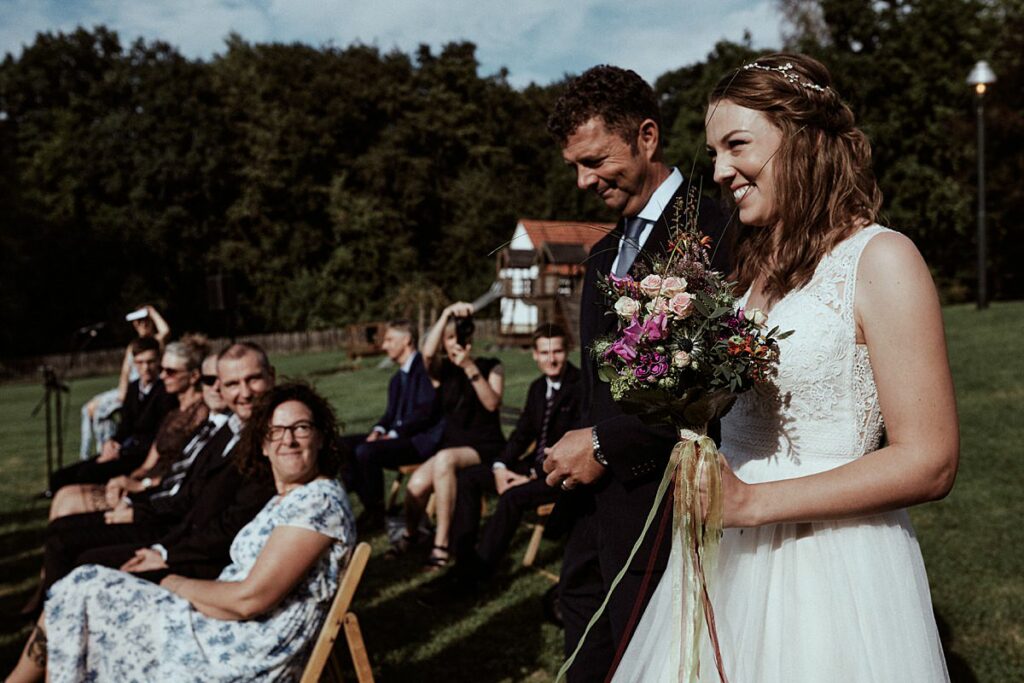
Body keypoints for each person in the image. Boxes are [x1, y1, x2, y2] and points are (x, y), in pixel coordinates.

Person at [611, 53, 958, 682]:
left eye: (736, 145)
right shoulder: (746, 276)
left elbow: (930, 460)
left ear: (801, 137)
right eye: (713, 153)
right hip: (726, 559)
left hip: (830, 568)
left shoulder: (882, 260)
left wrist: (750, 503)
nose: (719, 171)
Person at [540, 65, 729, 680]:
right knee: (585, 640)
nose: (583, 181)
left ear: (647, 137)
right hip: (597, 507)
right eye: (575, 166)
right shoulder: (602, 252)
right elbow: (600, 379)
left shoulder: (716, 228)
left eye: (595, 161)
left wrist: (604, 443)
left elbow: (717, 381)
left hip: (667, 501)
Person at [6, 382, 356, 683]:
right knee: (83, 588)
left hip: (240, 652)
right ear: (263, 445)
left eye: (301, 428)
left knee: (83, 588)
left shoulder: (318, 502)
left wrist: (168, 581)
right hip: (222, 629)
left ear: (322, 437)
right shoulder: (290, 497)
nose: (289, 440)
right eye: (276, 431)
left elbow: (250, 600)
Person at [36, 342, 278, 599]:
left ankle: (49, 620)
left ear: (271, 376)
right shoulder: (231, 428)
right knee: (63, 534)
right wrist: (138, 508)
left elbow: (229, 524)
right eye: (232, 384)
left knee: (81, 556)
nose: (244, 392)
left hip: (200, 553)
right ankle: (47, 618)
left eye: (253, 380)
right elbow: (187, 494)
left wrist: (164, 551)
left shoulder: (272, 439)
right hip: (177, 530)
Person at [450, 323, 581, 586]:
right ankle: (463, 557)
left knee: (512, 497)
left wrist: (531, 476)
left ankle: (480, 573)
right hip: (532, 468)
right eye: (544, 353)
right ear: (534, 355)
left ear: (567, 352)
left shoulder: (579, 387)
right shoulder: (536, 388)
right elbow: (521, 435)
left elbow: (571, 447)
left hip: (561, 476)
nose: (551, 359)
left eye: (556, 351)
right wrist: (500, 467)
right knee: (470, 477)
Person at [48, 336, 211, 521]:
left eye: (170, 371)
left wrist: (140, 484)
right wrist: (126, 477)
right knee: (62, 493)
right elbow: (148, 462)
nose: (162, 375)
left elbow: (181, 472)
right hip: (141, 475)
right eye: (163, 370)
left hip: (160, 494)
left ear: (194, 376)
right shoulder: (173, 413)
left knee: (69, 505)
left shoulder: (200, 414)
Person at [400, 302, 506, 568]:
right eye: (448, 338)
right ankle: (413, 536)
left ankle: (442, 543)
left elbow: (492, 403)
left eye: (458, 336)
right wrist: (446, 313)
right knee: (414, 487)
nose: (453, 342)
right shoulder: (442, 371)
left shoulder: (491, 366)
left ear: (469, 337)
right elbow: (425, 354)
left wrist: (469, 366)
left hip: (484, 445)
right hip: (453, 446)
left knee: (445, 460)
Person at [339, 319, 442, 530]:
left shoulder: (425, 369)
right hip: (399, 438)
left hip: (419, 442)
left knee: (367, 451)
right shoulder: (397, 378)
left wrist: (394, 433)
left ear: (406, 340)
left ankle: (376, 512)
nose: (384, 345)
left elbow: (426, 411)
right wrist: (378, 430)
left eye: (389, 339)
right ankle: (367, 502)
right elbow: (389, 415)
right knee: (343, 445)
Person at [51, 335, 178, 493]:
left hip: (141, 456)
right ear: (134, 364)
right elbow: (124, 427)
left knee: (86, 473)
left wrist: (121, 451)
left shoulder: (165, 391)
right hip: (123, 449)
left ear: (159, 361)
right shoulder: (132, 389)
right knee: (59, 476)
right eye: (140, 362)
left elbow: (159, 436)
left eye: (150, 362)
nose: (145, 368)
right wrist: (111, 443)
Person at [79, 304, 170, 459]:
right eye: (137, 322)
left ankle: (103, 449)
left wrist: (152, 312)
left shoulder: (156, 341)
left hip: (144, 389)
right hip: (130, 389)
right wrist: (123, 392)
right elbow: (125, 372)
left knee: (100, 413)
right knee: (88, 409)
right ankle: (87, 452)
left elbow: (165, 331)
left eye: (144, 321)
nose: (141, 325)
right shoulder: (132, 346)